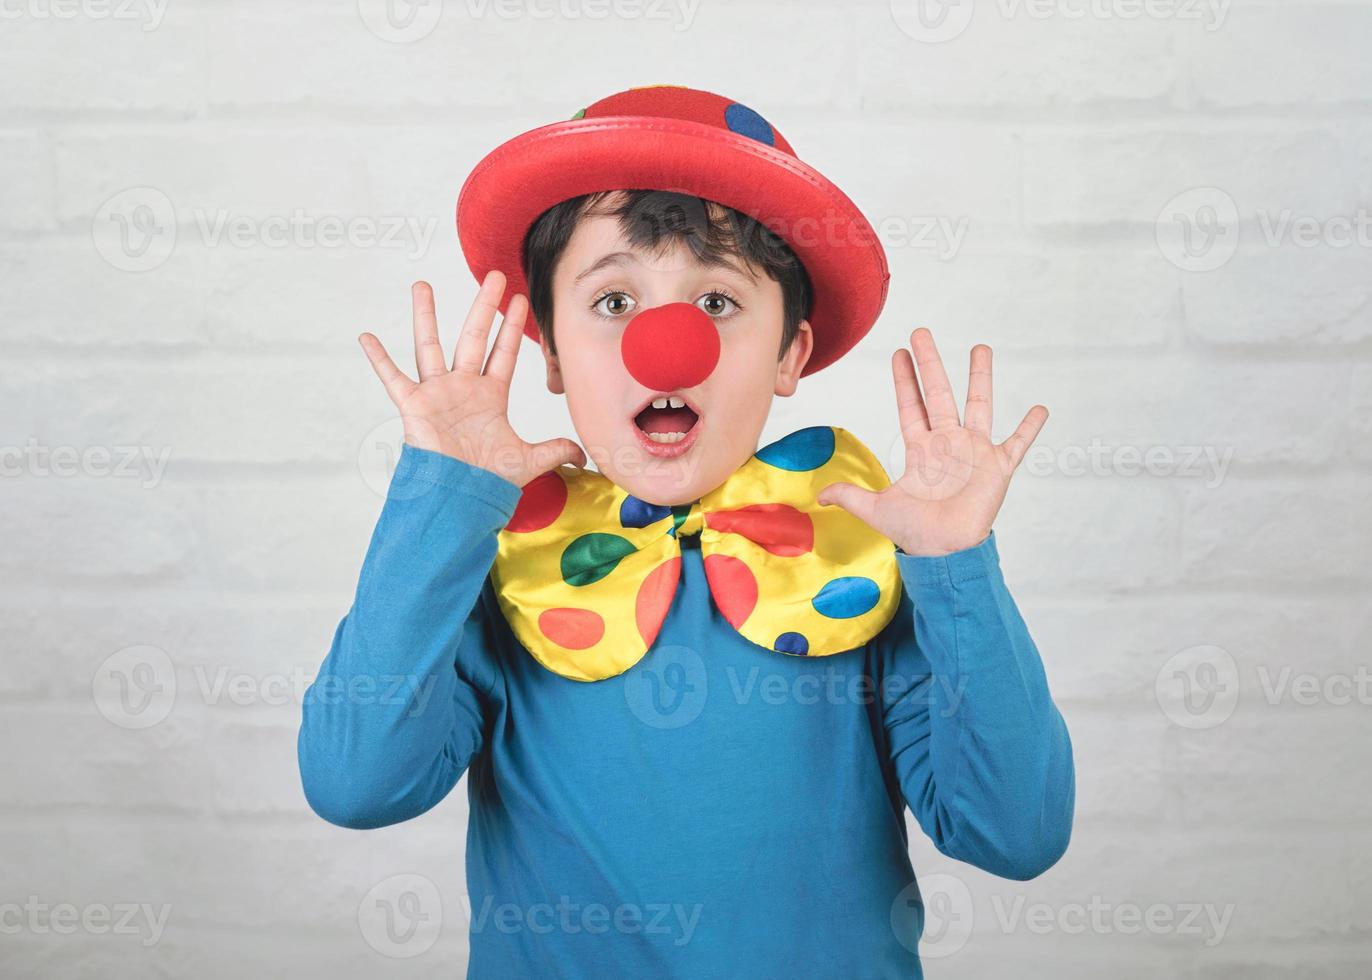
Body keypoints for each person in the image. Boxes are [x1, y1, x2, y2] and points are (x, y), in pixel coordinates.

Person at [298, 84, 1074, 978]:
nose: (666, 345)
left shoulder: (857, 565)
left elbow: (1018, 834)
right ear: (548, 353)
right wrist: (442, 502)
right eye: (614, 302)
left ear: (791, 354)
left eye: (717, 303)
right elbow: (354, 784)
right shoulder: (499, 573)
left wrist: (957, 571)